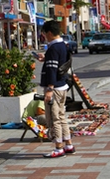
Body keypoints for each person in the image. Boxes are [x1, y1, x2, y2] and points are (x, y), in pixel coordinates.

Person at [37, 20, 74, 158]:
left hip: (55, 87)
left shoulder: (53, 48)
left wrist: (49, 89)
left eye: (45, 34)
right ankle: (69, 144)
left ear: (50, 33)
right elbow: (58, 62)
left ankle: (59, 147)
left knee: (54, 118)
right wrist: (46, 58)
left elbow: (52, 69)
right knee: (61, 117)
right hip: (63, 85)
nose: (45, 36)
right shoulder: (63, 45)